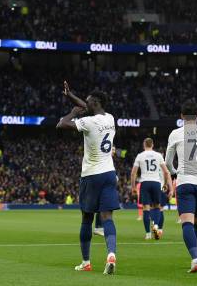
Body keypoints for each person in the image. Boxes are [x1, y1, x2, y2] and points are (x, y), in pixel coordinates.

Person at [56, 81, 119, 275]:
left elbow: (61, 124)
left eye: (89, 101)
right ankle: (111, 254)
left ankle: (86, 262)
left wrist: (74, 112)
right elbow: (86, 105)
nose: (86, 103)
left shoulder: (89, 122)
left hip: (91, 175)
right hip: (109, 173)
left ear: (96, 103)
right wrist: (70, 94)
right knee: (107, 217)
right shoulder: (110, 118)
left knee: (86, 218)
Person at [165, 101, 197, 273]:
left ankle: (195, 258)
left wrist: (174, 172)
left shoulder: (176, 133)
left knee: (187, 222)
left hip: (185, 181)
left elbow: (168, 161)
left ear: (182, 116)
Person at [130, 138, 173, 240]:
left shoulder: (140, 156)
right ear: (152, 145)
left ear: (144, 145)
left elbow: (133, 173)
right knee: (157, 207)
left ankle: (148, 234)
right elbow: (166, 172)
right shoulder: (158, 155)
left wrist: (133, 187)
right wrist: (166, 184)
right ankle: (156, 226)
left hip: (145, 182)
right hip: (156, 183)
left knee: (146, 208)